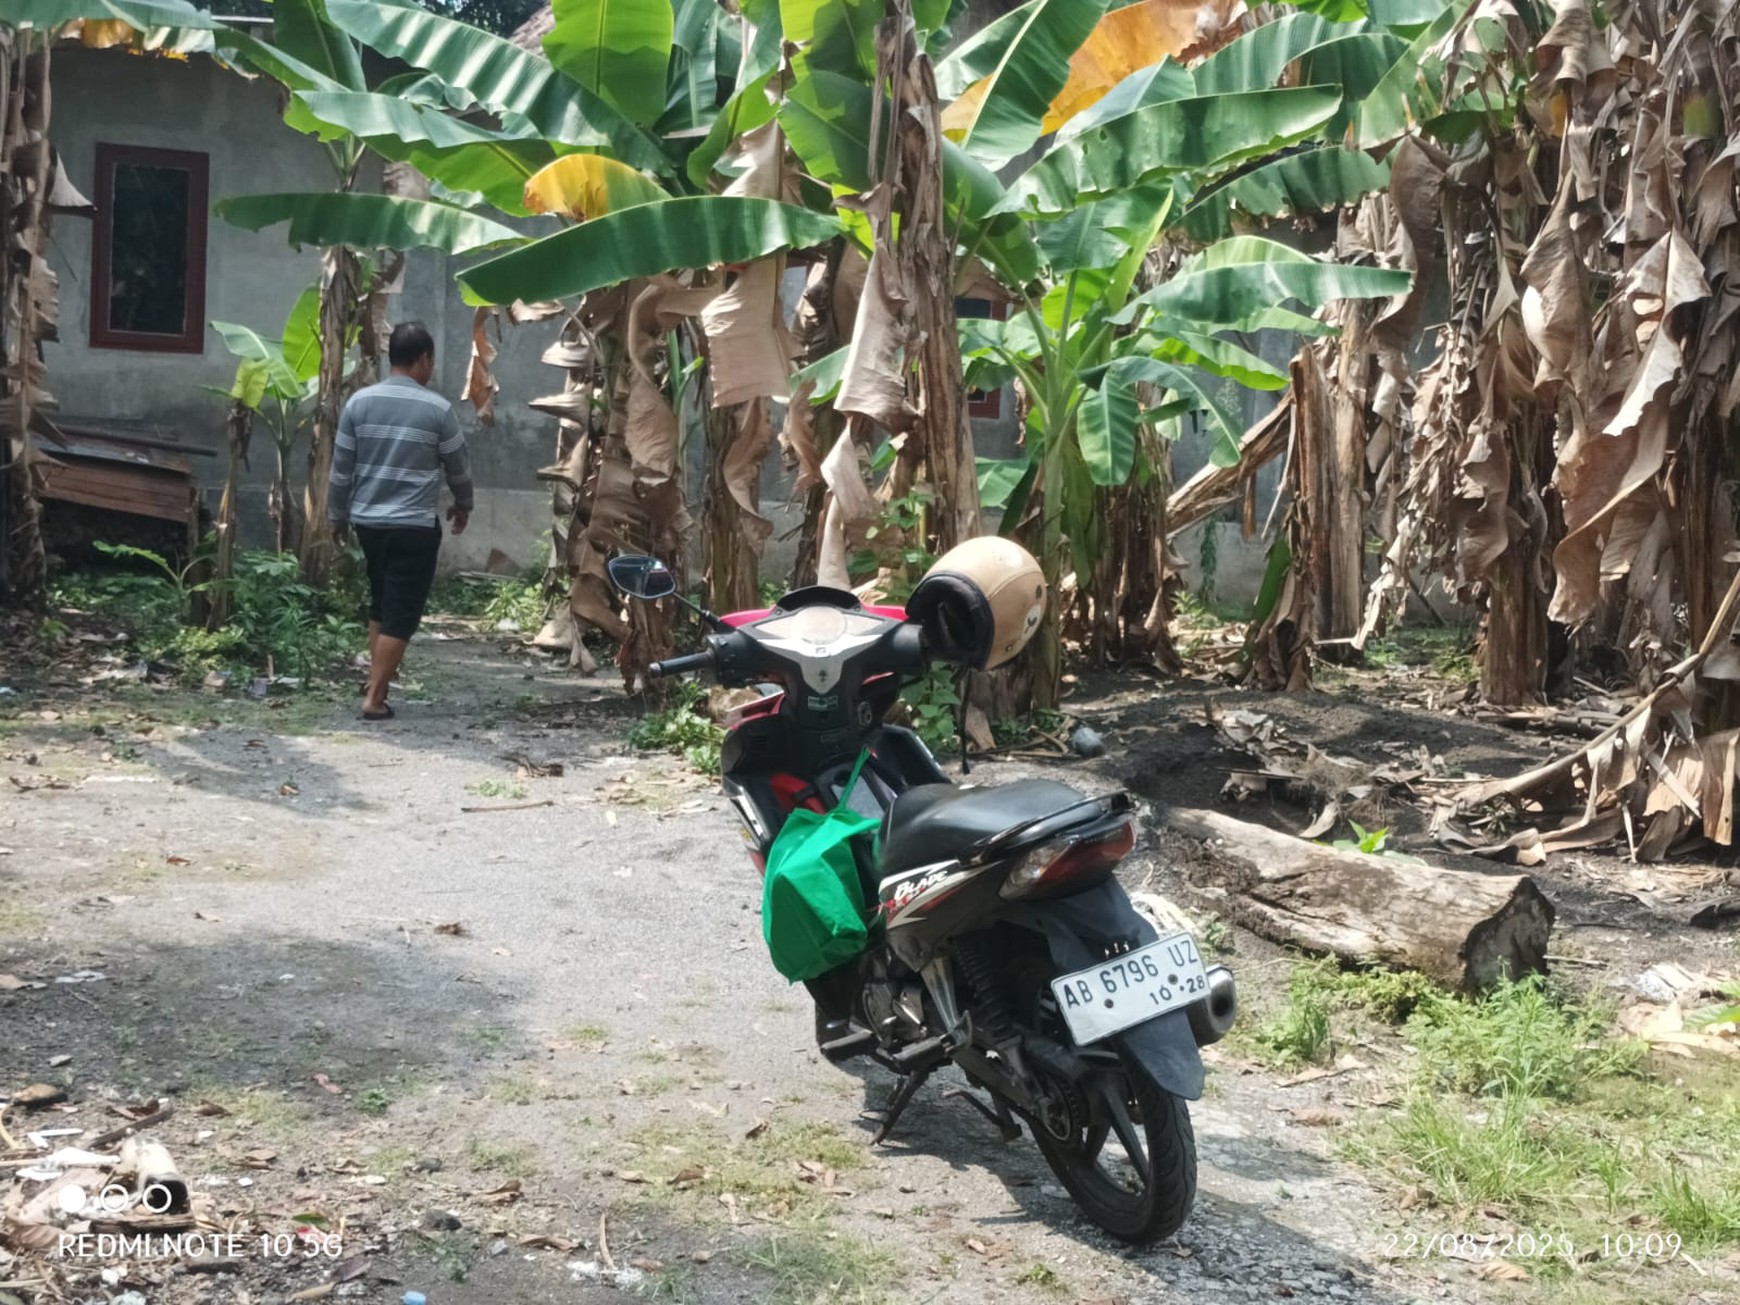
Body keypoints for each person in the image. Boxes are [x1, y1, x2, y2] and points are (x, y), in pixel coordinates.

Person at [328, 321, 473, 721]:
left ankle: (379, 684)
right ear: (423, 359)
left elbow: (341, 470)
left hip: (369, 525)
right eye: (431, 360)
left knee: (381, 604)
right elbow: (459, 467)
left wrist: (336, 516)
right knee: (401, 611)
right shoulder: (438, 410)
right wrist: (464, 504)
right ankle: (374, 698)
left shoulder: (358, 404)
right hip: (413, 526)